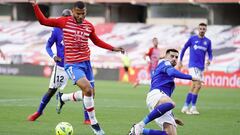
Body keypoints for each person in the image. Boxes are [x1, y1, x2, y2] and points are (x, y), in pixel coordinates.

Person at [29, 0, 124, 134]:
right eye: (78, 13)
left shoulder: (88, 26)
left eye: (83, 13)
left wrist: (113, 48)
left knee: (90, 94)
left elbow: (96, 41)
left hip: (86, 64)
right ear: (73, 12)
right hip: (72, 64)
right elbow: (43, 21)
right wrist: (35, 5)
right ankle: (94, 124)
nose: (81, 16)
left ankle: (63, 98)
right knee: (88, 89)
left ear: (86, 12)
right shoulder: (64, 22)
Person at [27, 9, 91, 124]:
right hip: (61, 67)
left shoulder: (76, 29)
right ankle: (39, 112)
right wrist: (53, 56)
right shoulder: (56, 30)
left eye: (69, 18)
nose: (67, 20)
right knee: (51, 91)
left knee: (86, 89)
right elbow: (48, 46)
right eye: (65, 18)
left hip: (75, 65)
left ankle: (87, 118)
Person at [129, 49, 200, 135]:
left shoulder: (166, 68)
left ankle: (139, 130)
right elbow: (172, 72)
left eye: (176, 57)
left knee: (169, 134)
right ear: (166, 57)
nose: (174, 58)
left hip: (160, 100)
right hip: (155, 94)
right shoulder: (165, 63)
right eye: (172, 56)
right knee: (171, 103)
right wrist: (192, 77)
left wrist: (173, 117)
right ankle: (140, 125)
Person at [179, 23, 213, 115]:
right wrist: (180, 61)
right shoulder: (192, 39)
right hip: (193, 66)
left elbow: (210, 53)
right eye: (201, 28)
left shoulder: (208, 41)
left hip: (201, 67)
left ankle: (185, 106)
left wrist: (209, 60)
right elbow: (184, 49)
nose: (202, 30)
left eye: (204, 29)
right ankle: (193, 107)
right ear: (198, 29)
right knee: (198, 85)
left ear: (206, 30)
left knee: (193, 86)